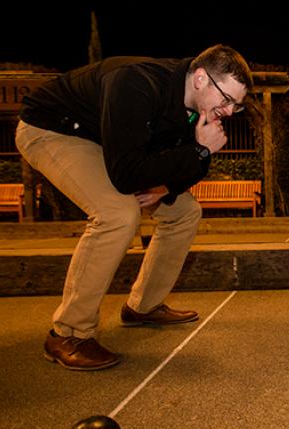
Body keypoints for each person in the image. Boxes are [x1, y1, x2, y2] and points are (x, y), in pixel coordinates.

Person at [15, 45, 253, 370]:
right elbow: (126, 175)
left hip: (110, 146)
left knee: (184, 212)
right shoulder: (135, 83)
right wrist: (198, 150)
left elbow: (188, 167)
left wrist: (168, 185)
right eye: (226, 99)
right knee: (117, 215)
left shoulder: (195, 108)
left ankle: (143, 306)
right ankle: (67, 333)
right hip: (53, 130)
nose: (228, 111)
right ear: (200, 78)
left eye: (236, 106)